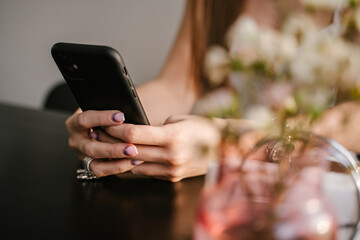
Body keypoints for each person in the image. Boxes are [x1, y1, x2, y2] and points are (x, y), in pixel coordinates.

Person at [66, 0, 360, 182]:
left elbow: (354, 121)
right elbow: (179, 84)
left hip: (325, 194)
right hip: (227, 190)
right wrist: (107, 117)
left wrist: (227, 146)